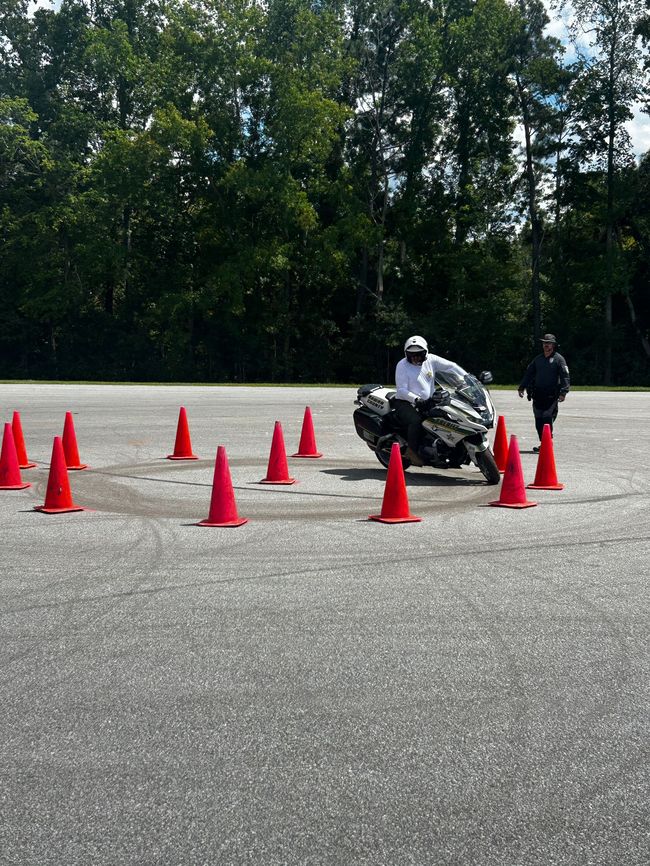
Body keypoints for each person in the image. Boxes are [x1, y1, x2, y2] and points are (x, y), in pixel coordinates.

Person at [394, 335, 468, 466]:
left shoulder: (431, 360)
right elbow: (401, 390)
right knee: (416, 421)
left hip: (428, 401)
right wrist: (416, 399)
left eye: (419, 354)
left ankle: (450, 449)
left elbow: (451, 366)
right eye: (411, 354)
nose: (415, 357)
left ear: (426, 352)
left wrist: (466, 378)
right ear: (406, 354)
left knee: (448, 416)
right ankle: (411, 452)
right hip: (405, 402)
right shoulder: (402, 365)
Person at [518, 333, 570, 451]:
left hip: (552, 395)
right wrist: (522, 387)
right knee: (538, 419)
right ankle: (543, 443)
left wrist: (563, 392)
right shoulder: (538, 359)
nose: (546, 345)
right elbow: (529, 374)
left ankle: (548, 443)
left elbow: (565, 376)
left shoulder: (559, 359)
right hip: (538, 394)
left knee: (547, 417)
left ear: (553, 345)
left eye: (549, 343)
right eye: (545, 343)